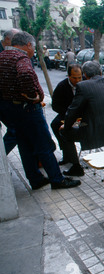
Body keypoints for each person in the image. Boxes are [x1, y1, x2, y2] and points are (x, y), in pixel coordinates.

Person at [0, 31, 81, 190]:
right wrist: (33, 96)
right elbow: (25, 74)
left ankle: (35, 179)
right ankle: (57, 179)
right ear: (28, 45)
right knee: (43, 144)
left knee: (24, 145)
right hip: (27, 109)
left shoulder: (2, 56)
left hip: (10, 108)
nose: (33, 52)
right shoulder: (21, 58)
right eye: (33, 48)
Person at [62, 61, 104, 166]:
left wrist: (66, 126)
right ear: (100, 71)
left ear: (84, 74)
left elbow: (73, 111)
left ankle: (76, 167)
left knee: (64, 132)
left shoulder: (83, 86)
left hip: (95, 134)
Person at [50, 64, 84, 176]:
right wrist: (68, 114)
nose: (78, 80)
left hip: (82, 115)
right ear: (69, 76)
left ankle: (72, 158)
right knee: (55, 125)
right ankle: (66, 152)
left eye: (80, 77)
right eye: (75, 78)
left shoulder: (84, 84)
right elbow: (55, 105)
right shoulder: (62, 86)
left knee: (70, 131)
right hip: (66, 113)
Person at [0, 28, 20, 155]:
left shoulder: (9, 51)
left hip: (6, 99)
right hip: (3, 99)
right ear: (7, 39)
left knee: (15, 130)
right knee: (15, 131)